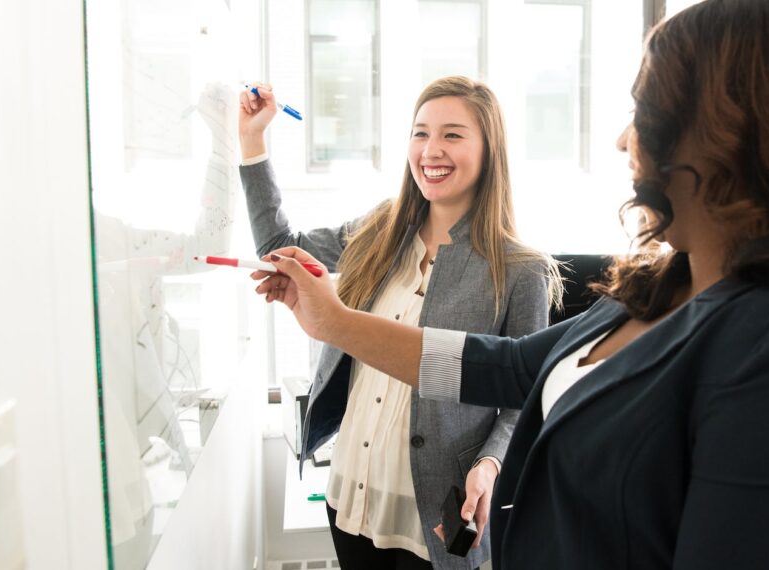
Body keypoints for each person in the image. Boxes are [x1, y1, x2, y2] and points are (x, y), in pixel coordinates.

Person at [250, 1, 769, 568]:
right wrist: (334, 322)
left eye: (641, 109)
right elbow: (511, 367)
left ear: (722, 131)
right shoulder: (658, 288)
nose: (624, 141)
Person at [238, 76, 560, 569]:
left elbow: (523, 396)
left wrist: (491, 463)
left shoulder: (520, 269)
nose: (431, 150)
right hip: (351, 491)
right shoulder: (380, 230)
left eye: (452, 134)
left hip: (436, 509)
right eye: (420, 133)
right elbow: (279, 246)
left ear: (489, 148)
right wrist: (253, 140)